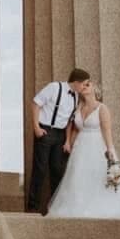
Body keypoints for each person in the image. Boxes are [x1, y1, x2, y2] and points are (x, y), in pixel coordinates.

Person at [47, 78, 120, 225]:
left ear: (94, 89)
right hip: (80, 149)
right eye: (83, 85)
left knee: (97, 176)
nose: (84, 86)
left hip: (96, 147)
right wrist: (69, 143)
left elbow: (107, 131)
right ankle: (79, 204)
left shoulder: (102, 108)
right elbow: (75, 129)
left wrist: (110, 151)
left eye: (88, 84)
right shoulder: (78, 108)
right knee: (78, 175)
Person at [27, 69, 91, 213]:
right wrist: (36, 127)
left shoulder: (76, 96)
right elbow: (35, 103)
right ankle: (32, 208)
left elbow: (69, 121)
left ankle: (55, 209)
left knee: (57, 171)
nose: (85, 87)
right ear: (77, 82)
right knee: (40, 169)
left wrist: (67, 141)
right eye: (84, 84)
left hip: (60, 135)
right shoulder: (54, 87)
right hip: (45, 131)